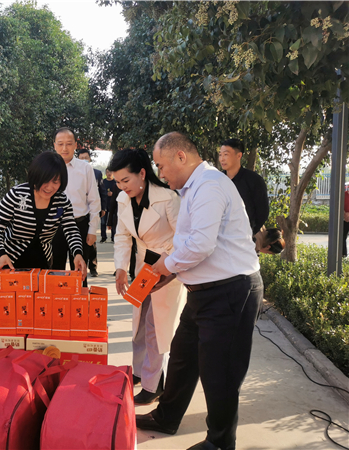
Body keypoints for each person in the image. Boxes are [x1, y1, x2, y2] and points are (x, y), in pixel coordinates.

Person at [137, 132, 263, 450]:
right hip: (204, 292)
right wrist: (170, 270)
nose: (160, 174)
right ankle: (166, 416)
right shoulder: (194, 188)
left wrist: (166, 266)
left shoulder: (209, 186)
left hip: (229, 292)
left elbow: (201, 245)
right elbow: (189, 243)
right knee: (183, 356)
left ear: (181, 157)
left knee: (219, 371)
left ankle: (220, 442)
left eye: (161, 165)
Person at [110, 149, 187, 405]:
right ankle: (140, 372)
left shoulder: (168, 198)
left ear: (142, 173)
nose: (122, 187)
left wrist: (168, 265)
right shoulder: (124, 199)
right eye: (118, 182)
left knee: (157, 327)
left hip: (168, 267)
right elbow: (122, 235)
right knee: (140, 323)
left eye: (126, 180)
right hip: (143, 267)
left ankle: (154, 385)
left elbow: (184, 239)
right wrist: (121, 268)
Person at [0, 151, 87, 277]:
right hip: (11, 261)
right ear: (36, 176)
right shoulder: (17, 195)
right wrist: (1, 253)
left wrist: (78, 253)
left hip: (43, 260)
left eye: (55, 182)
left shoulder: (62, 202)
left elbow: (71, 230)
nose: (49, 187)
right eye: (45, 180)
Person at [52, 128, 101, 287]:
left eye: (68, 144)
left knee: (79, 272)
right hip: (54, 227)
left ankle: (80, 301)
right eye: (60, 144)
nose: (64, 148)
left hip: (79, 225)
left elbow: (94, 200)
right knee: (55, 272)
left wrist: (92, 230)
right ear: (54, 145)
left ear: (75, 145)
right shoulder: (48, 168)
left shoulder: (85, 168)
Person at [219, 138, 269, 236]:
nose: (222, 159)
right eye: (220, 155)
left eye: (226, 154)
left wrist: (249, 233)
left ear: (239, 156)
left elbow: (262, 212)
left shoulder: (254, 180)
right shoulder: (217, 180)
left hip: (244, 237)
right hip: (219, 237)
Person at [77, 148, 106, 277]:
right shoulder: (74, 172)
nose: (84, 160)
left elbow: (102, 192)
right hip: (80, 212)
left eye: (86, 158)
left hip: (93, 211)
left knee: (91, 241)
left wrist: (103, 208)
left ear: (89, 159)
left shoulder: (97, 173)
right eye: (81, 158)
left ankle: (93, 267)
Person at [103, 168, 117, 242]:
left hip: (113, 205)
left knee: (113, 222)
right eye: (107, 172)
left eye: (110, 172)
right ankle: (103, 237)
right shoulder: (103, 182)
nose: (109, 173)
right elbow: (100, 192)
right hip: (104, 204)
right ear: (105, 173)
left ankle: (113, 237)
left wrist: (113, 194)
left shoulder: (116, 182)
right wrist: (106, 194)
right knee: (103, 222)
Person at [344, 183, 349, 258]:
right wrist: (344, 214)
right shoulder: (344, 195)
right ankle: (343, 254)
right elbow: (340, 205)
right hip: (344, 219)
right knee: (342, 237)